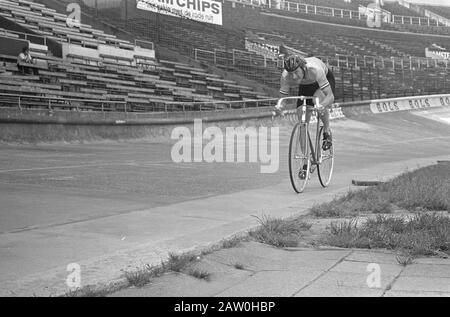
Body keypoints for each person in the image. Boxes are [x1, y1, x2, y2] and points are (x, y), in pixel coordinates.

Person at [278, 54, 336, 179]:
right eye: (290, 73)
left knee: (318, 102)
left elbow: (330, 97)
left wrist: (322, 105)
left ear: (303, 67)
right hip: (305, 85)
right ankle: (305, 161)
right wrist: (279, 107)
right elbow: (283, 99)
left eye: (295, 72)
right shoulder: (286, 76)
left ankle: (327, 131)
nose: (293, 76)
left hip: (322, 80)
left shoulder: (315, 70)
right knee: (302, 121)